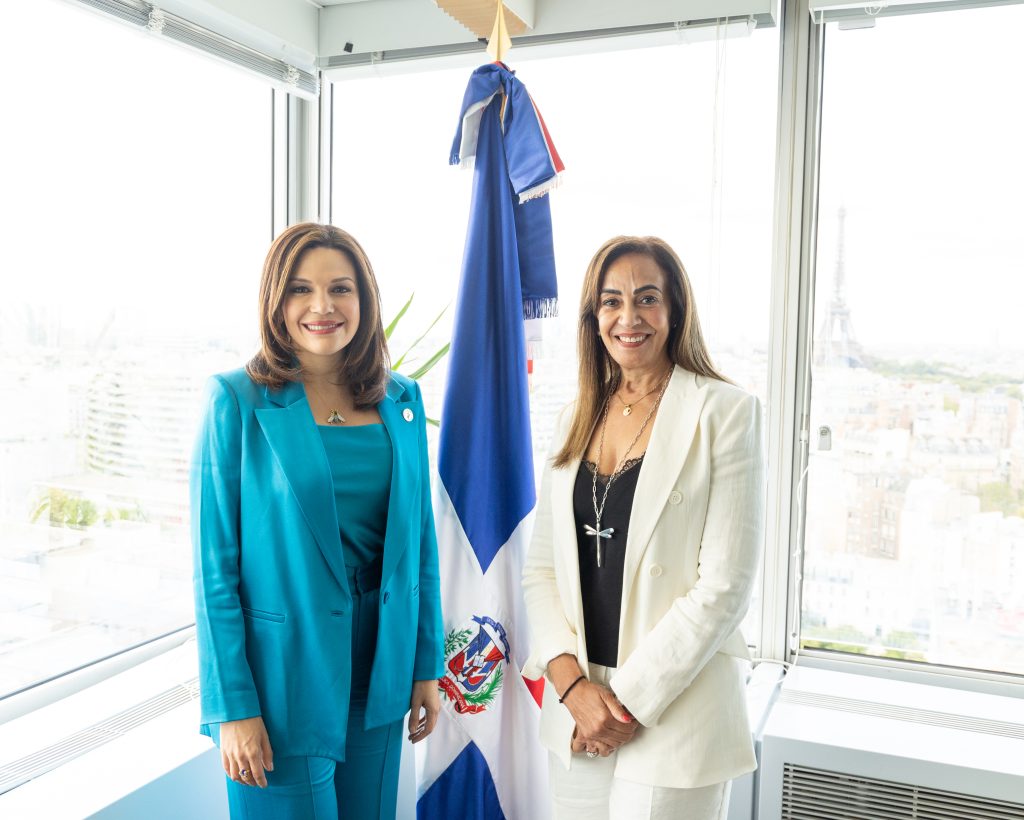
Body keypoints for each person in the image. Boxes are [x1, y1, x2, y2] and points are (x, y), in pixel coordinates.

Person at [191, 222, 444, 819]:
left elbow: (419, 544)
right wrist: (233, 707)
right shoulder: (236, 400)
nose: (322, 306)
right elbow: (213, 571)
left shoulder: (401, 399)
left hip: (380, 673)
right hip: (282, 682)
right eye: (301, 289)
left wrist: (424, 665)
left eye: (341, 288)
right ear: (275, 301)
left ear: (365, 299)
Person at [522, 236, 765, 820]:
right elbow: (541, 571)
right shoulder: (573, 417)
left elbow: (724, 588)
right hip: (578, 712)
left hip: (675, 709)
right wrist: (573, 690)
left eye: (647, 298)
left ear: (675, 309)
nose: (628, 317)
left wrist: (623, 703)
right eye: (611, 301)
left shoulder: (725, 412)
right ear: (594, 317)